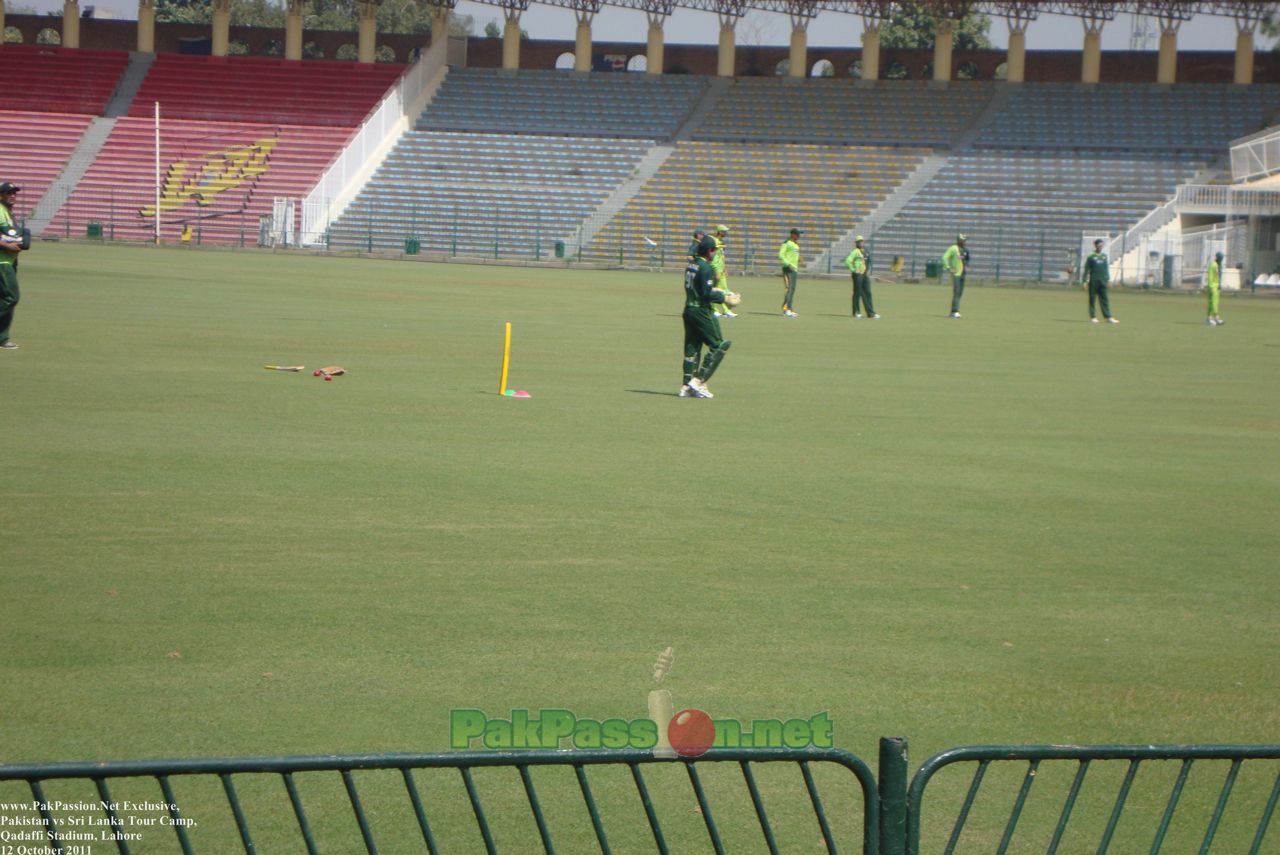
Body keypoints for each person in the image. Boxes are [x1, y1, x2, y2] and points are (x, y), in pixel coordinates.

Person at [680, 235, 733, 399]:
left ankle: (685, 386)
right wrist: (725, 299)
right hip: (701, 311)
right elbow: (705, 293)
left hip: (688, 309)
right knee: (719, 346)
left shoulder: (692, 265)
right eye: (715, 250)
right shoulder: (705, 267)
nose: (716, 253)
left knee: (692, 349)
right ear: (710, 251)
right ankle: (699, 381)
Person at [0, 182, 25, 350]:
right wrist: (5, 245)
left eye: (15, 192)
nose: (13, 195)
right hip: (2, 262)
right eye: (9, 192)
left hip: (10, 261)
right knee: (11, 297)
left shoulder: (8, 212)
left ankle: (3, 338)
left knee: (4, 298)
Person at [1082, 238, 1119, 324]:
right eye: (1099, 245)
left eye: (1102, 245)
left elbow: (1106, 268)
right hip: (1094, 280)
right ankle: (1093, 317)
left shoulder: (1104, 256)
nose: (1100, 247)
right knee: (1092, 298)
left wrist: (1108, 279)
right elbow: (1087, 269)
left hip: (1103, 281)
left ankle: (1108, 317)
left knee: (1104, 299)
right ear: (1095, 245)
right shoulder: (1091, 256)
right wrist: (1084, 281)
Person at [844, 235, 879, 319]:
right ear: (856, 243)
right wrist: (853, 269)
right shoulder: (855, 251)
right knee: (857, 293)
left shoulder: (867, 251)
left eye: (861, 241)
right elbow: (847, 261)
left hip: (864, 275)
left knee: (868, 293)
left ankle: (871, 313)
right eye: (859, 241)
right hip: (857, 275)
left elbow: (869, 261)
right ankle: (856, 312)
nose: (860, 243)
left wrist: (867, 271)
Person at [711, 224, 735, 319]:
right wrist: (715, 270)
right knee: (713, 290)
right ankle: (713, 310)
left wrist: (725, 268)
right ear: (720, 232)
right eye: (725, 231)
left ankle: (727, 311)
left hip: (721, 270)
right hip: (715, 270)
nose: (726, 233)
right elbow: (713, 258)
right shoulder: (714, 241)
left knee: (725, 290)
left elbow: (722, 256)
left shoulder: (721, 242)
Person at [778, 228, 802, 317]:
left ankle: (789, 308)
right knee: (788, 288)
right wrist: (788, 264)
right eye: (797, 234)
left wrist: (798, 258)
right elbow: (781, 254)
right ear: (792, 234)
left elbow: (793, 254)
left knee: (792, 290)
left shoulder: (796, 244)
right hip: (788, 269)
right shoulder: (786, 243)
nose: (799, 236)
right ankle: (785, 309)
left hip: (794, 269)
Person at [942, 233, 967, 318]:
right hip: (956, 274)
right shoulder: (953, 248)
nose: (964, 242)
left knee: (960, 293)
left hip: (963, 273)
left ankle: (955, 310)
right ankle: (954, 311)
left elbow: (966, 260)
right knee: (956, 292)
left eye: (964, 240)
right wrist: (948, 268)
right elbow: (944, 257)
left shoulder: (964, 250)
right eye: (962, 240)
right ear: (958, 240)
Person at [1205, 251, 1225, 327]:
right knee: (1213, 303)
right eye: (1220, 258)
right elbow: (1210, 276)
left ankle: (1209, 318)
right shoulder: (1213, 265)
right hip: (1212, 286)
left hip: (1216, 286)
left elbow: (1218, 276)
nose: (1221, 259)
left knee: (1213, 303)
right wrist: (1210, 286)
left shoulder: (1218, 265)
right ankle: (1216, 317)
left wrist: (1219, 284)